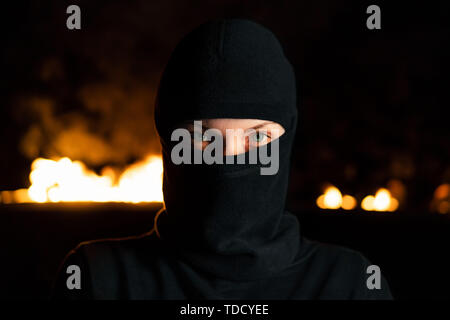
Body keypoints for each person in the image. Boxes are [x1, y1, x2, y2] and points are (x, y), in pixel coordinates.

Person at [51, 19, 393, 300]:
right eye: (203, 139)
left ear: (287, 138)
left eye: (257, 138)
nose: (227, 159)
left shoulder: (349, 285)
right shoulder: (97, 281)